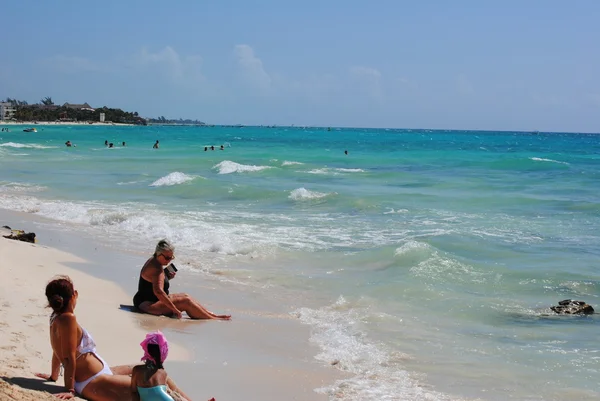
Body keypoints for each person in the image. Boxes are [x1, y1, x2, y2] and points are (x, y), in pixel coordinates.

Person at [36, 276, 133, 400]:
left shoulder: (55, 317)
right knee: (149, 386)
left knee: (141, 369)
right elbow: (69, 357)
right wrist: (70, 390)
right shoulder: (68, 318)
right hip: (94, 380)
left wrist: (53, 376)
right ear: (74, 295)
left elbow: (57, 350)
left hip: (97, 375)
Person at [132, 240, 231, 320]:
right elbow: (158, 292)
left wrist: (167, 276)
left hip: (145, 300)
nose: (169, 260)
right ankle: (213, 319)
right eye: (167, 257)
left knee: (186, 295)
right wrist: (174, 310)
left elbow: (154, 282)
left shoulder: (153, 261)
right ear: (158, 254)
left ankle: (210, 314)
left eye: (171, 257)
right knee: (186, 301)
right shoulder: (156, 269)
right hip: (147, 305)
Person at [131, 331, 196, 401]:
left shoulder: (136, 370)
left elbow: (134, 392)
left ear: (146, 350)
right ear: (163, 353)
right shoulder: (162, 373)